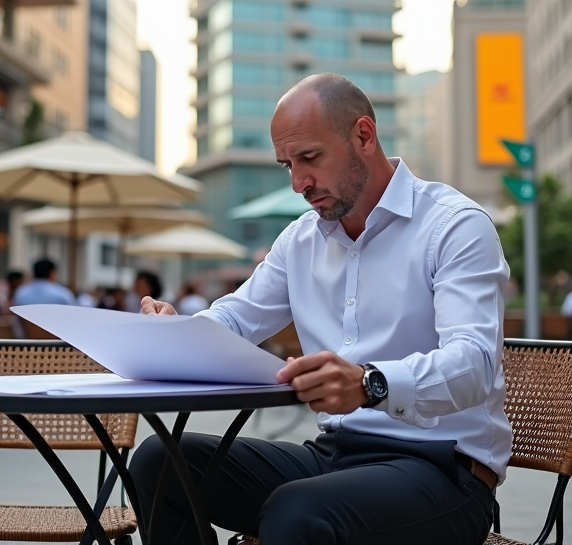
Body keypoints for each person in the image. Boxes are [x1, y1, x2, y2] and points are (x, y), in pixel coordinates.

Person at [133, 74, 508, 545]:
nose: (298, 183)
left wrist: (370, 383)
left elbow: (473, 363)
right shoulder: (300, 239)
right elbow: (236, 316)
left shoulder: (454, 227)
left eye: (309, 158)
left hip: (442, 470)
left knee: (298, 511)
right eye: (286, 165)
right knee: (160, 461)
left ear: (363, 136)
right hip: (333, 455)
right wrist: (181, 332)